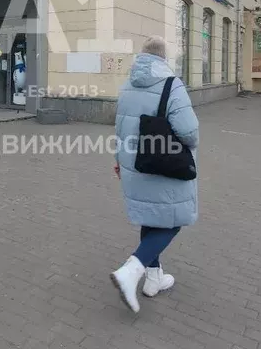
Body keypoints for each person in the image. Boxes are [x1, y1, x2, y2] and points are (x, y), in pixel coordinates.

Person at [111, 36, 199, 314]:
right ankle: (132, 269)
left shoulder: (126, 84)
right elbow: (189, 132)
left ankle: (154, 278)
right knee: (173, 220)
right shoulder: (172, 84)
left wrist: (117, 160)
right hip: (165, 163)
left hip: (134, 163)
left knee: (151, 217)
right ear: (163, 59)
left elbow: (119, 128)